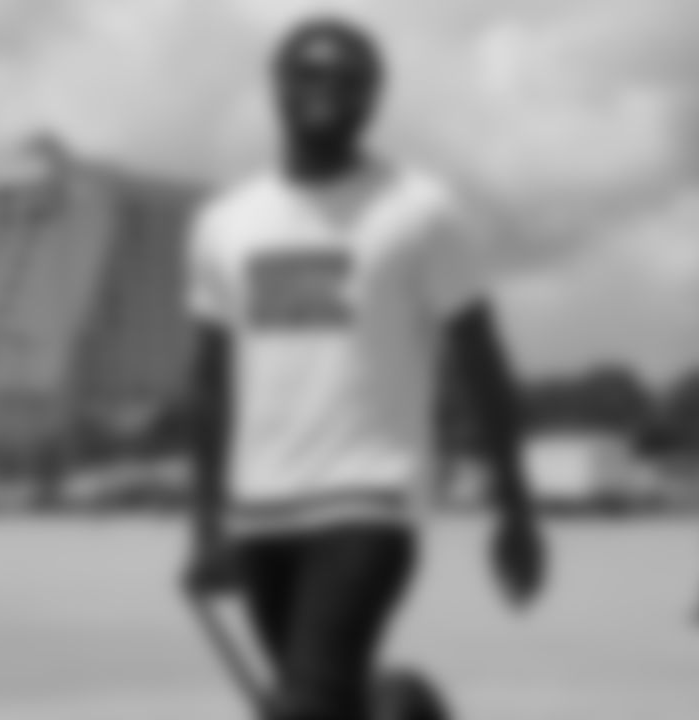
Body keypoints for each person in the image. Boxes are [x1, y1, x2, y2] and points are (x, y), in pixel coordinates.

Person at [183, 15, 546, 720]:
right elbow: (208, 385)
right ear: (278, 86)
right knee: (323, 697)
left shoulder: (421, 212)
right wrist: (205, 526)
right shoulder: (224, 224)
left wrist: (516, 510)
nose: (329, 89)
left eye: (351, 79)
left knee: (308, 703)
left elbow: (482, 363)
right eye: (310, 73)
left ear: (374, 97)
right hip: (261, 513)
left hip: (369, 503)